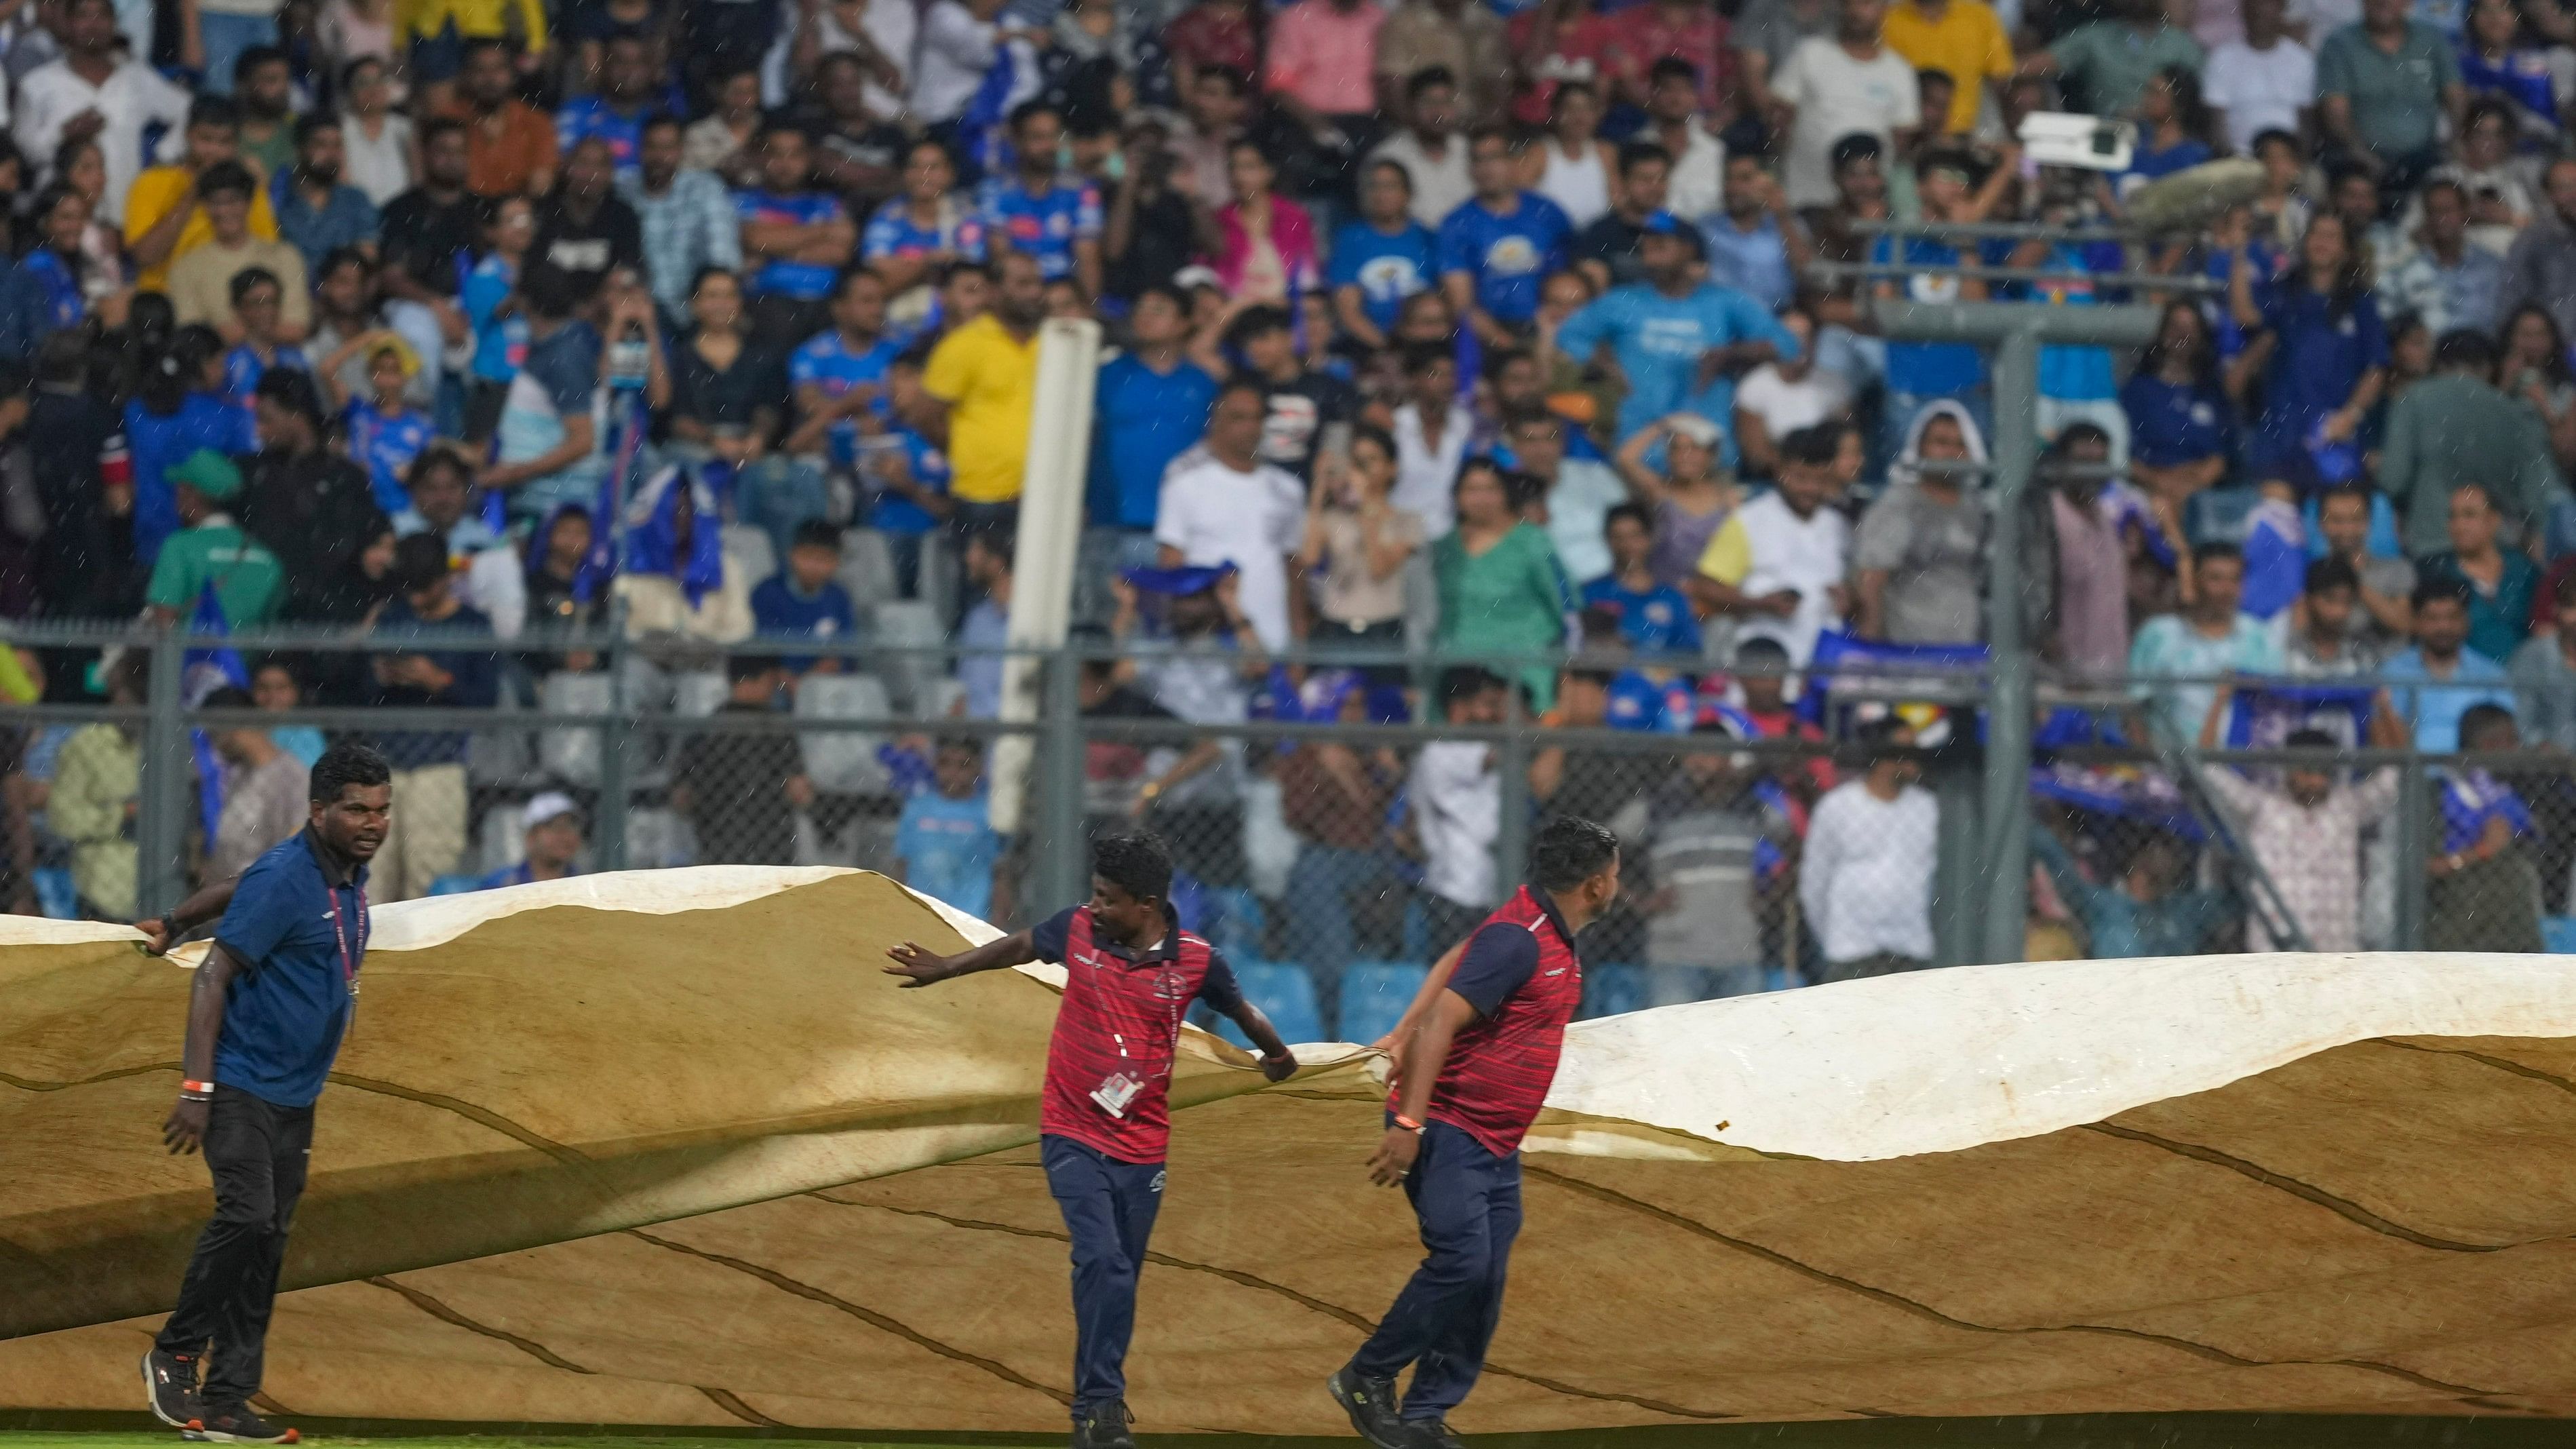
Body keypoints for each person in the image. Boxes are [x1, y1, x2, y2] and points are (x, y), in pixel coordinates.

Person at [884, 830, 1295, 1449]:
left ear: (1147, 904)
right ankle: (1102, 1405)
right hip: (1071, 1130)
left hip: (1144, 1147)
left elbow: (1241, 1011)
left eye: (1108, 897)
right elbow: (1021, 944)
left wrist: (1280, 1056)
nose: (1094, 906)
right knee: (1103, 1260)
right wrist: (947, 967)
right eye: (1095, 894)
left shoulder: (1196, 961)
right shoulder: (1077, 931)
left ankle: (1092, 1412)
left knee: (1116, 1276)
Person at [1329, 815, 1621, 1449]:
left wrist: (1403, 1028)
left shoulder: (1533, 927)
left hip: (1495, 1139)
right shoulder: (1523, 940)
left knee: (1483, 1274)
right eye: (1616, 875)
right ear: (1597, 885)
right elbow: (1444, 1023)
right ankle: (1366, 1377)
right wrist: (1409, 1121)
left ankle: (1426, 1413)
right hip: (1449, 1126)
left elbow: (1453, 960)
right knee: (1463, 1260)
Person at [138, 741, 392, 1447]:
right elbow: (211, 977)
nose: (372, 822)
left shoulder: (338, 872)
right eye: (356, 810)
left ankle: (226, 1402)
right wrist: (197, 1087)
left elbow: (237, 887)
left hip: (296, 1093)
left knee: (270, 1240)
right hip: (239, 1083)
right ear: (319, 812)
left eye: (381, 809)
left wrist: (179, 916)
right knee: (248, 1217)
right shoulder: (292, 876)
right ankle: (174, 1353)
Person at [1551, 214, 1796, 456]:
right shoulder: (1622, 299)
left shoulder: (1724, 301)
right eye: (1645, 240)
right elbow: (1569, 335)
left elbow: (1787, 345)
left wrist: (1730, 355)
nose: (1650, 245)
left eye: (1661, 239)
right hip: (1638, 450)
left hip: (1707, 450)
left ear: (1689, 249)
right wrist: (1605, 362)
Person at [2195, 683, 2402, 952]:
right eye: (2304, 769)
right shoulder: (2262, 807)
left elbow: (2396, 770)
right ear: (2288, 769)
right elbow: (2207, 767)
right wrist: (2221, 699)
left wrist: (2383, 707)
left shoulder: (2348, 807)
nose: (2312, 780)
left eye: (2321, 770)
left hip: (2336, 951)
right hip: (2275, 952)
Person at [367, 533, 498, 901]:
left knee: (429, 881)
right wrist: (381, 675)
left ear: (446, 579)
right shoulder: (393, 617)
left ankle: (422, 959)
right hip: (385, 762)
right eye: (410, 587)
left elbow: (486, 701)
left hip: (442, 763)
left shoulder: (473, 624)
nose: (416, 597)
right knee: (375, 879)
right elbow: (357, 687)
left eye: (424, 587)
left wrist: (439, 681)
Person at [1154, 380, 1309, 652]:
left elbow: (1293, 569)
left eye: (1257, 418)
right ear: (1215, 422)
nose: (1250, 427)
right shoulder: (1184, 482)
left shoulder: (1288, 489)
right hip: (1207, 642)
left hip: (1273, 637)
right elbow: (1171, 564)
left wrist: (1298, 644)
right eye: (1238, 418)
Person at [2378, 329, 2558, 558]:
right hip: (2500, 549)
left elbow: (2393, 480)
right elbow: (2538, 496)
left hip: (2432, 544)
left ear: (2439, 364)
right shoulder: (2514, 411)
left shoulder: (2413, 399)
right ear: (2489, 367)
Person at [14, 0, 191, 229]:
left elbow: (188, 109)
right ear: (68, 23)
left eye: (102, 16)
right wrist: (63, 135)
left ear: (115, 24)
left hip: (123, 215)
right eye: (83, 15)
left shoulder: (136, 78)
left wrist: (165, 155)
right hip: (60, 223)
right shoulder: (37, 84)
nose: (93, 24)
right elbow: (21, 152)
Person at [1692, 423, 1849, 664]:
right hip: (1759, 663)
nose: (1810, 488)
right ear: (1780, 470)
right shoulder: (1748, 520)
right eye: (1800, 478)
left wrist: (1848, 599)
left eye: (1820, 479)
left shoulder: (1838, 525)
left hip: (1822, 663)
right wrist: (1759, 603)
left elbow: (1853, 593)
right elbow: (1705, 588)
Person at [1798, 718, 1936, 980]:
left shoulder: (1927, 808)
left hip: (1912, 947)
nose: (1915, 759)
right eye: (1907, 752)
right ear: (1884, 756)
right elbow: (1814, 881)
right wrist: (1831, 938)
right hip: (1851, 950)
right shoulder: (1838, 806)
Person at [1435, 459, 1573, 708]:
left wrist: (1568, 672)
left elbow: (1567, 607)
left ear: (1505, 494)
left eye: (1491, 489)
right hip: (1458, 678)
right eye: (1472, 490)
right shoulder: (1442, 549)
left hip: (1526, 673)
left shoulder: (1533, 542)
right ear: (1457, 496)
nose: (1482, 498)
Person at [922, 250, 1045, 528]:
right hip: (981, 495)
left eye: (1038, 284)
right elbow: (927, 415)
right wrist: (969, 454)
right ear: (993, 291)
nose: (1035, 293)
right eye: (1024, 284)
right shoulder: (963, 345)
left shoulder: (1051, 343)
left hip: (1042, 495)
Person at [1854, 401, 1987, 645]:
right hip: (1909, 651)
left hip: (1964, 647)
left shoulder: (1978, 508)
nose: (1951, 453)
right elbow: (1871, 579)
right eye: (1941, 443)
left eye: (1960, 445)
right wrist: (1870, 644)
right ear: (1920, 448)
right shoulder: (1898, 505)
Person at [123, 97, 286, 292]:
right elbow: (146, 257)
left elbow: (267, 258)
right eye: (206, 139)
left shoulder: (248, 189)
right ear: (188, 135)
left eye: (224, 142)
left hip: (230, 300)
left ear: (236, 144)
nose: (214, 152)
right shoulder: (150, 182)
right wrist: (193, 195)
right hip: (166, 296)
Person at [1772, 0, 1922, 211]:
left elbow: (1903, 141)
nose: (1856, 12)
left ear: (1884, 9)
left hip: (1868, 207)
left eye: (1866, 4)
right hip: (1806, 198)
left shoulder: (1899, 71)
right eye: (1850, 4)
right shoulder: (1810, 53)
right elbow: (1779, 119)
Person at [1300, 423, 1424, 667]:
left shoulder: (1408, 521)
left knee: (1385, 703)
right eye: (1357, 461)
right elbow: (1309, 558)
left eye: (1372, 460)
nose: (1363, 468)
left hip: (1384, 631)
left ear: (1392, 468)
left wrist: (1365, 504)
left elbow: (1379, 570)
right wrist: (1319, 487)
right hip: (1335, 629)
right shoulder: (1334, 517)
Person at [1439, 128, 1575, 347]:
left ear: (1515, 162)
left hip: (1553, 327)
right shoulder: (1456, 224)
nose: (1486, 168)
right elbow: (1462, 306)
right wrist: (1508, 346)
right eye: (1477, 160)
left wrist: (1552, 336)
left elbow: (1570, 281)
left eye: (1494, 158)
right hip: (1489, 334)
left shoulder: (1547, 213)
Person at [2427, 702, 2545, 953]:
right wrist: (2482, 850)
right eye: (2502, 742)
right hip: (2459, 932)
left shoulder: (2522, 789)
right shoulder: (2437, 792)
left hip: (2518, 935)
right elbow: (2427, 868)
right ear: (2479, 746)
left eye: (2515, 741)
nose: (2515, 750)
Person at [671, 655, 811, 865]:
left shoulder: (704, 731)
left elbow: (682, 799)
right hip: (772, 855)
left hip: (717, 853)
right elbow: (800, 793)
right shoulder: (779, 731)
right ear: (767, 678)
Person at [2316, 0, 2463, 188]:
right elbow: (2335, 111)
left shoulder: (2431, 39)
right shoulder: (2339, 45)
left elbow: (2455, 93)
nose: (2383, 2)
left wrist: (2456, 137)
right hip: (2359, 160)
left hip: (2426, 156)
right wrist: (2362, 155)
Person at [737, 124, 857, 352]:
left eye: (795, 154)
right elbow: (754, 239)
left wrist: (773, 249)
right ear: (762, 158)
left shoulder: (828, 203)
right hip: (766, 304)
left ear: (809, 159)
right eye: (776, 154)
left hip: (823, 306)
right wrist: (823, 232)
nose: (785, 163)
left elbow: (839, 253)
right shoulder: (743, 200)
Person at [166, 162, 311, 340]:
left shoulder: (285, 256)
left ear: (249, 202)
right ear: (204, 207)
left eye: (233, 200)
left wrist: (230, 334)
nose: (224, 210)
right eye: (215, 202)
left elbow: (296, 329)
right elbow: (193, 337)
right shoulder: (186, 267)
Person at [624, 114, 743, 325]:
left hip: (695, 313)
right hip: (637, 311)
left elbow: (722, 259)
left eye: (668, 148)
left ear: (681, 151)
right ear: (640, 150)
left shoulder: (705, 188)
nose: (660, 156)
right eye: (652, 147)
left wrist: (703, 306)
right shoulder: (622, 188)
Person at [147, 450, 286, 628]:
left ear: (191, 493)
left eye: (180, 488)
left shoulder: (179, 548)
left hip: (191, 656)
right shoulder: (268, 560)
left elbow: (164, 627)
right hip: (246, 657)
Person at [2120, 299, 2233, 507]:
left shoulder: (2210, 393)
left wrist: (2190, 485)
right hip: (2151, 487)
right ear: (2162, 334)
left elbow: (2220, 459)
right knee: (2160, 506)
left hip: (2200, 494)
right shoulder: (2139, 391)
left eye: (2191, 328)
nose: (2184, 334)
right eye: (2176, 327)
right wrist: (2160, 481)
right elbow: (2127, 458)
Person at [1228, 303, 1357, 486]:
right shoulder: (1242, 388)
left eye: (1263, 338)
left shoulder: (1326, 387)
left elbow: (1364, 425)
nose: (1254, 348)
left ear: (1290, 336)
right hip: (1251, 496)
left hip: (1308, 499)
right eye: (1248, 341)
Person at [2383, 578, 2515, 752]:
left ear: (2466, 621)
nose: (2443, 627)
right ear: (2416, 621)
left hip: (2476, 773)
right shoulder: (2394, 672)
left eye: (2452, 617)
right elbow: (2386, 737)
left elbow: (2505, 736)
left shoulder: (2491, 674)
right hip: (2411, 774)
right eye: (2432, 618)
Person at [2418, 482, 2541, 665]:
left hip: (2525, 680)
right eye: (2453, 517)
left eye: (2469, 515)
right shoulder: (2434, 571)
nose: (2459, 526)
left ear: (2494, 521)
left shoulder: (2524, 570)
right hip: (2462, 684)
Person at [2023, 0, 2204, 118]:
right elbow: (2032, 66)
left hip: (2169, 145)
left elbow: (2204, 101)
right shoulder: (2095, 37)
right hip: (2110, 143)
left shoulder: (2182, 44)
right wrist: (1996, 64)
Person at [891, 737, 1003, 920]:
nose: (953, 772)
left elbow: (999, 873)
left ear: (979, 768)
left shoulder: (988, 814)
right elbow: (902, 866)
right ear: (934, 765)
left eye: (963, 765)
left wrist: (997, 925)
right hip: (921, 917)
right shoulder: (916, 809)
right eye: (945, 764)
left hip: (971, 921)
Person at [2381, 180, 2504, 338]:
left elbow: (2501, 321)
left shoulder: (2490, 267)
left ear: (2465, 213)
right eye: (2434, 211)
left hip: (2480, 355)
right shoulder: (2407, 269)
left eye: (2448, 211)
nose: (2441, 218)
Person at [442, 38, 560, 199]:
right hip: (461, 214)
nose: (490, 78)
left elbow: (540, 188)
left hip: (517, 214)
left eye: (498, 69)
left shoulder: (537, 122)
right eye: (480, 70)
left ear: (512, 75)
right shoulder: (448, 119)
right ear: (467, 76)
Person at [272, 114, 383, 275]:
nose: (331, 154)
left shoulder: (356, 200)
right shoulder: (277, 199)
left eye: (337, 145)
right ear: (300, 149)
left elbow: (368, 259)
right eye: (321, 145)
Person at [1700, 153, 1810, 314]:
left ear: (1769, 183)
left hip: (1777, 316)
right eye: (1729, 178)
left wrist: (1782, 216)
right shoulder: (1706, 226)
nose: (1734, 187)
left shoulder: (1788, 224)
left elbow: (1805, 270)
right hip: (1720, 320)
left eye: (1745, 179)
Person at [2204, 0, 2316, 157]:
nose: (2259, 10)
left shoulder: (2302, 60)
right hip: (2239, 159)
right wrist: (2234, 160)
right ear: (2243, 8)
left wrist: (2294, 162)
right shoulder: (2222, 59)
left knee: (2313, 180)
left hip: (2288, 160)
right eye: (2254, 3)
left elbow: (2307, 127)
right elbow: (2216, 126)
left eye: (2267, 3)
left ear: (2281, 8)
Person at [1883, 0, 2010, 136]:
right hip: (1907, 133)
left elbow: (2001, 76)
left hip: (1969, 135)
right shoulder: (1889, 19)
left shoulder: (1979, 15)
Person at [750, 518, 860, 676]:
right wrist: (791, 682)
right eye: (808, 556)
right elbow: (763, 651)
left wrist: (813, 679)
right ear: (791, 554)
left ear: (836, 562)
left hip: (824, 682)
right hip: (776, 683)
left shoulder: (839, 598)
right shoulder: (767, 593)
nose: (814, 566)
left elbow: (845, 652)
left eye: (824, 559)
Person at [1369, 66, 1474, 229]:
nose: (1438, 112)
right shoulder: (1389, 156)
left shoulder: (1470, 151)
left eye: (1445, 102)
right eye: (1429, 102)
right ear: (1411, 108)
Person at [475, 790, 583, 888]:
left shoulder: (585, 884)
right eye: (555, 827)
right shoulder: (502, 884)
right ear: (531, 837)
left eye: (571, 827)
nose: (564, 836)